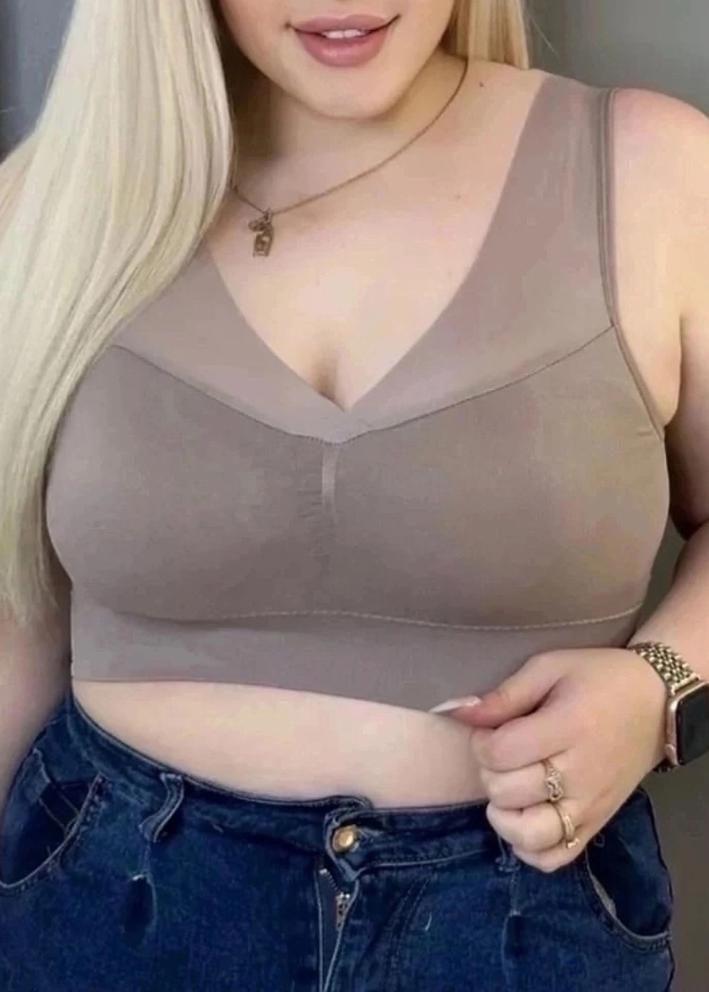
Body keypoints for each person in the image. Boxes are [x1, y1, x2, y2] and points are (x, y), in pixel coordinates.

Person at [1, 0, 708, 988]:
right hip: (100, 917)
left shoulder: (654, 172)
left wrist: (658, 686)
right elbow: (17, 615)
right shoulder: (49, 205)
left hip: (519, 919)